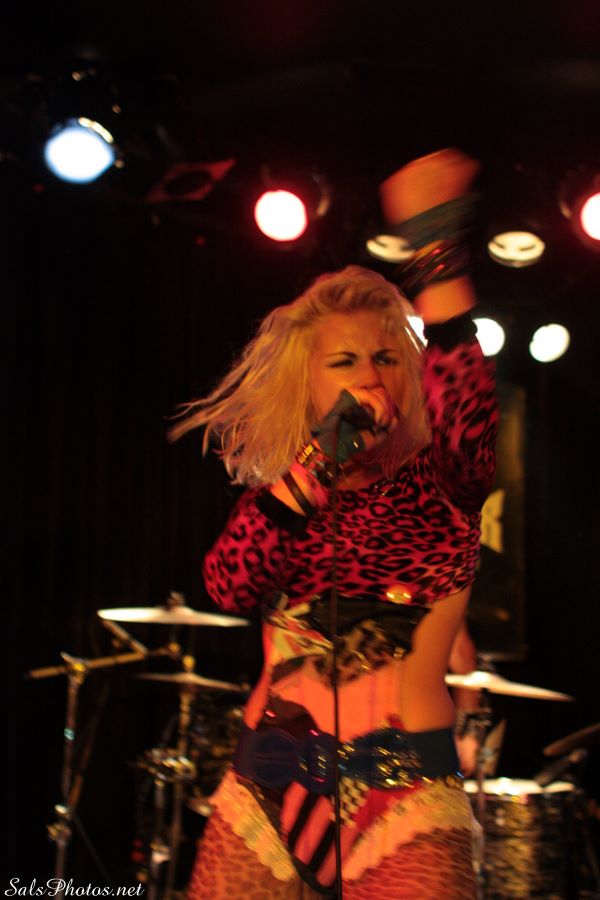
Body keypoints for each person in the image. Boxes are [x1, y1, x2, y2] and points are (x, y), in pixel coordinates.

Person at [174, 149, 498, 899]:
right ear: (308, 382)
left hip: (404, 790)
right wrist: (319, 463)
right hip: (265, 787)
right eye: (344, 361)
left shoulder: (442, 485)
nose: (369, 377)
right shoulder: (289, 493)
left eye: (386, 358)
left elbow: (470, 411)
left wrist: (436, 245)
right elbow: (228, 584)